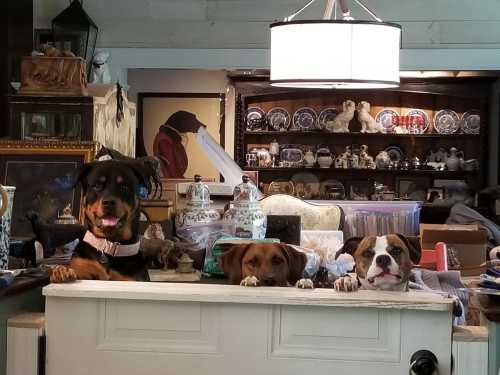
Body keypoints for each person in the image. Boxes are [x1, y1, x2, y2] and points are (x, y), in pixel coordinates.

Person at [153, 111, 206, 178]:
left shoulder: (172, 139)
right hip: (170, 184)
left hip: (173, 182)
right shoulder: (164, 140)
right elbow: (172, 171)